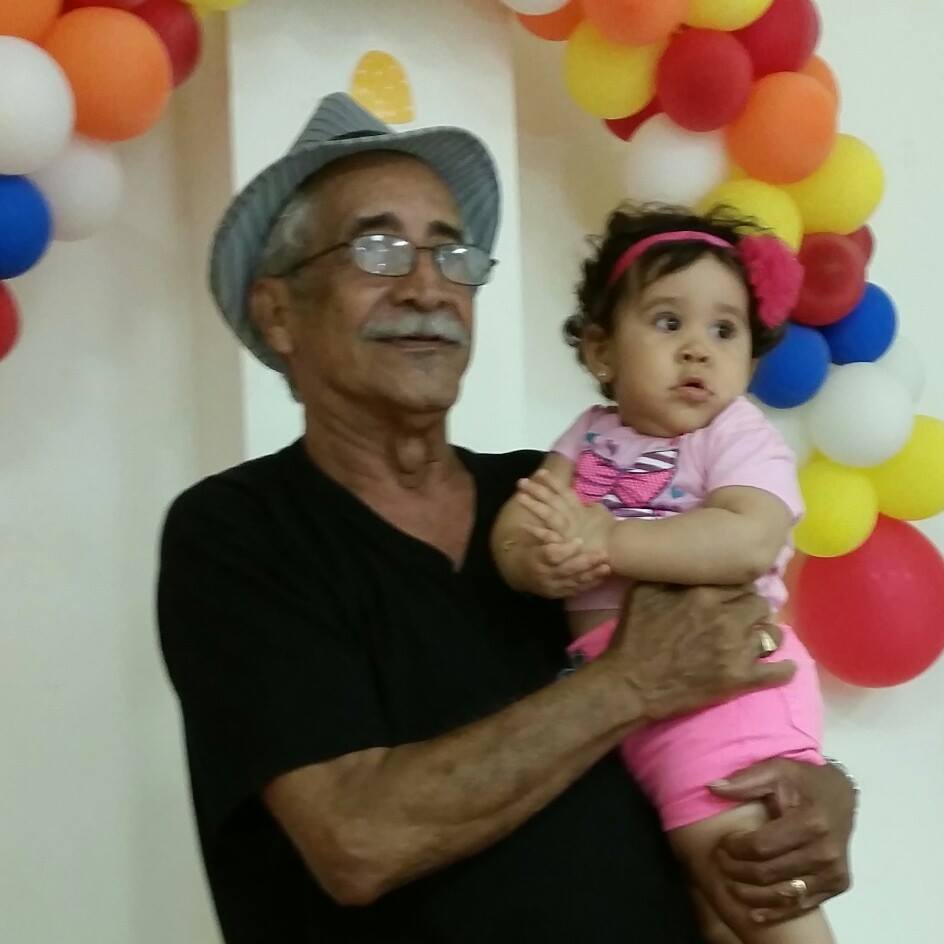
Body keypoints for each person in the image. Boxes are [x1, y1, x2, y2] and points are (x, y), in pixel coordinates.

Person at [158, 93, 857, 944]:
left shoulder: (552, 497)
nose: (428, 286)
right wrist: (629, 682)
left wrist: (818, 788)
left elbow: (726, 655)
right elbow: (357, 839)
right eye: (378, 248)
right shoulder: (238, 532)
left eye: (453, 255)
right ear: (280, 313)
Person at [493, 206, 836, 944]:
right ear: (601, 350)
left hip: (725, 691)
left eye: (724, 330)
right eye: (667, 322)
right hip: (637, 696)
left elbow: (748, 539)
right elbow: (522, 520)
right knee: (708, 908)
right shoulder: (587, 437)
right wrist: (532, 559)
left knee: (751, 882)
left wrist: (610, 541)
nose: (697, 350)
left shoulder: (733, 435)